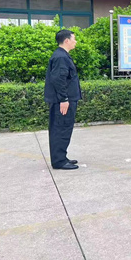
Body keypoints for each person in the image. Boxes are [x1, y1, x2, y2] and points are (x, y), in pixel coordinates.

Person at [44, 30, 82, 170]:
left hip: (64, 99)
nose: (75, 42)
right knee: (61, 129)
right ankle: (59, 161)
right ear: (66, 41)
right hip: (63, 101)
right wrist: (64, 99)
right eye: (74, 39)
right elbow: (59, 79)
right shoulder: (61, 57)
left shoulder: (62, 55)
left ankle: (61, 157)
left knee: (62, 128)